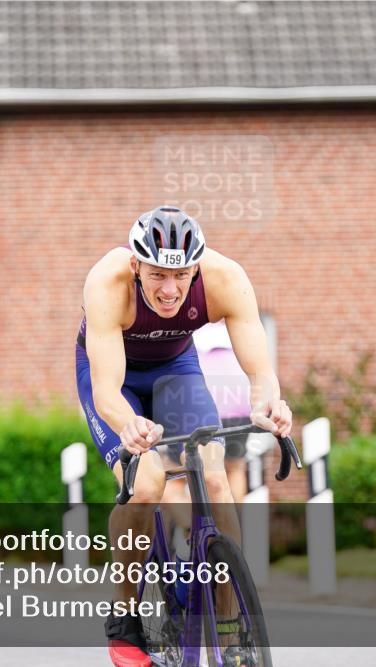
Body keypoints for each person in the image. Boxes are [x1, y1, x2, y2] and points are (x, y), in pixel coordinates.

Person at [75, 206, 292, 667]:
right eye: (156, 275)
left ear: (197, 266)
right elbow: (107, 391)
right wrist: (128, 423)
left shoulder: (225, 278)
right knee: (147, 484)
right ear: (136, 265)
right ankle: (125, 616)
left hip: (177, 370)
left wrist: (269, 401)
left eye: (181, 275)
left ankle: (231, 629)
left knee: (214, 480)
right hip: (115, 379)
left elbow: (260, 369)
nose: (170, 289)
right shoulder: (107, 282)